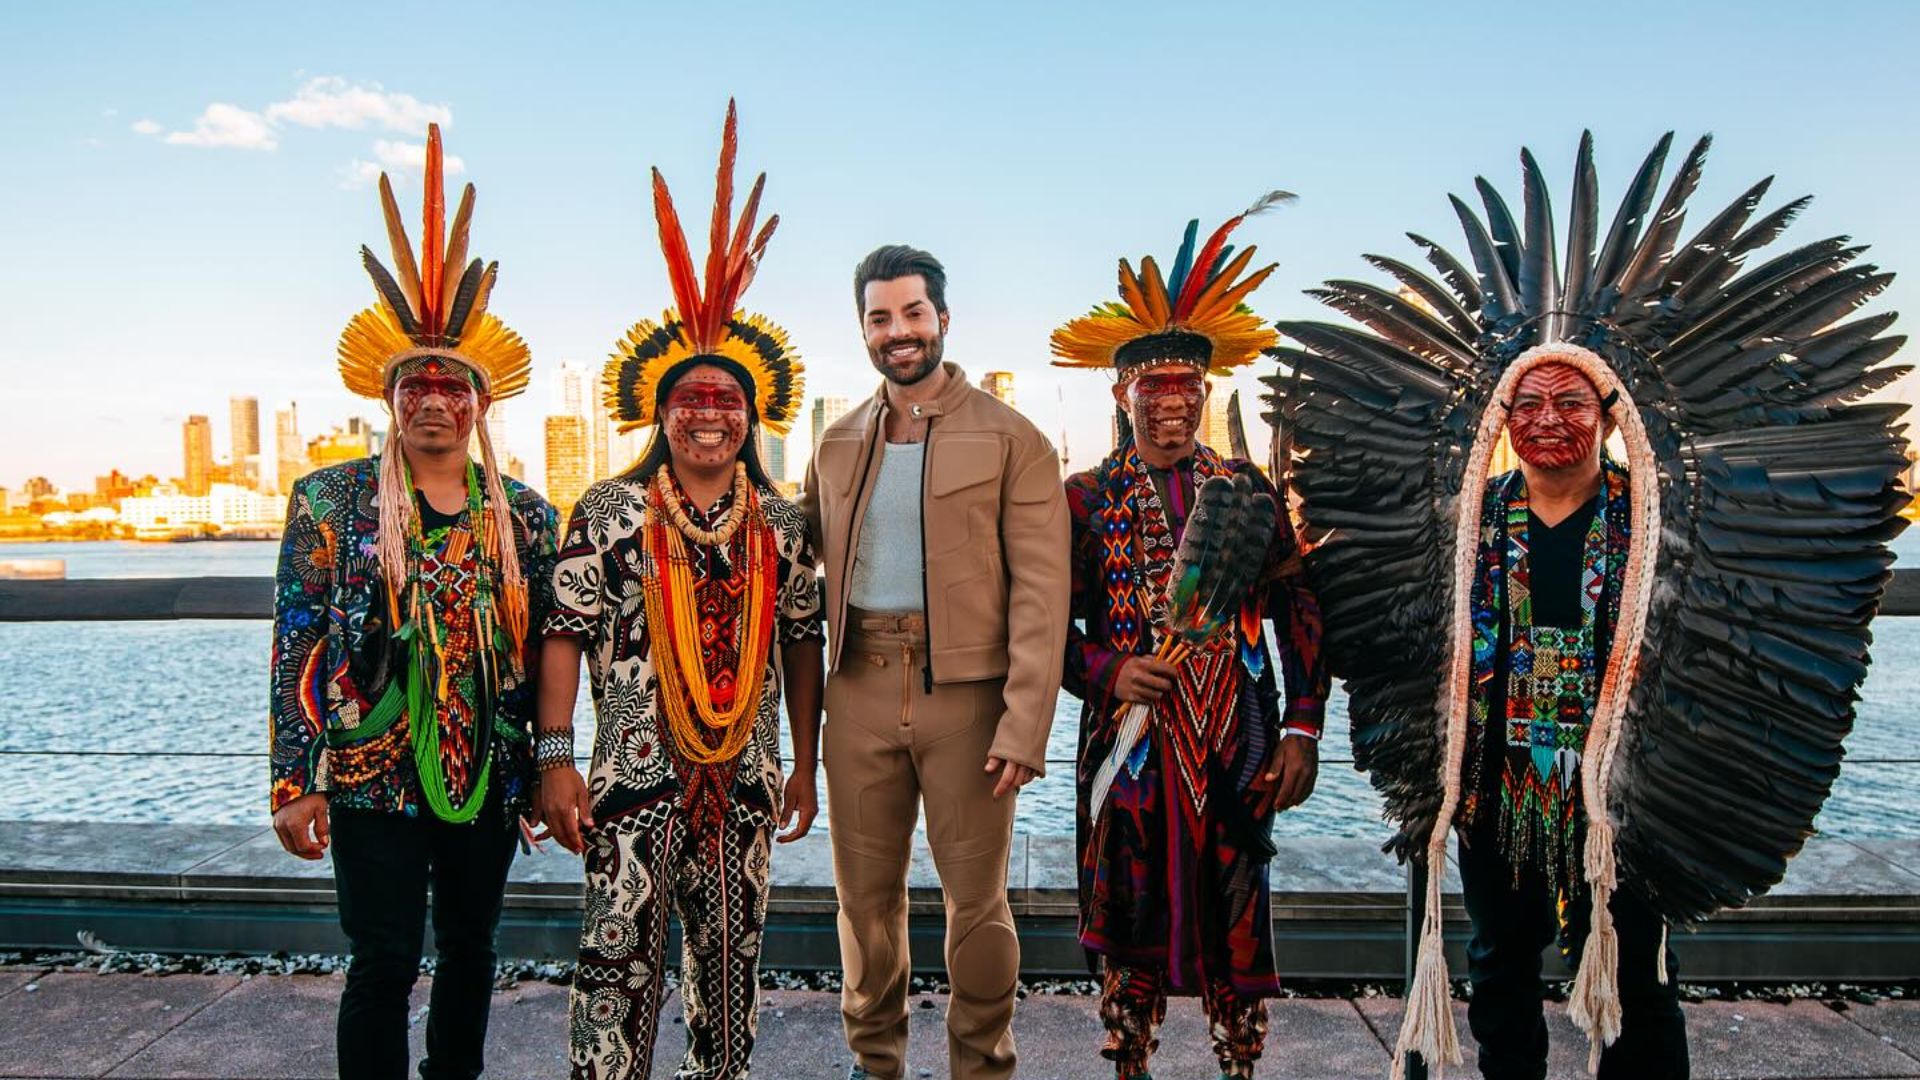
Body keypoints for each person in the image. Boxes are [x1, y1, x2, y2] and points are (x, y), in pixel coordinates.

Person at [1274, 132, 1911, 1079]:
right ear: (1499, 418)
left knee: (1637, 977)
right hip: (1495, 793)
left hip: (1623, 791)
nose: (1545, 420)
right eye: (1525, 404)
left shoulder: (1652, 519)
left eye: (1569, 402)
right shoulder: (1470, 524)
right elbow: (1363, 600)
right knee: (1499, 967)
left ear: (1611, 413)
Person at [533, 103, 825, 1080]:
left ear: (752, 416)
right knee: (613, 972)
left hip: (742, 787)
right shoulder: (610, 510)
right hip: (624, 785)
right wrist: (555, 758)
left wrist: (805, 765)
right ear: (660, 412)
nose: (709, 416)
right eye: (691, 402)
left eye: (727, 402)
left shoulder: (780, 527)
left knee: (730, 984)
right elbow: (564, 633)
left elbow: (800, 645)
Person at [269, 124, 557, 1080]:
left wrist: (551, 764)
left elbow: (557, 643)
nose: (434, 400)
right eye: (416, 384)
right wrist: (293, 777)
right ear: (389, 398)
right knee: (382, 959)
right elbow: (298, 641)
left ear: (479, 403)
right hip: (366, 771)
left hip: (486, 773)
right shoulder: (330, 499)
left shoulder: (521, 514)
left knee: (473, 952)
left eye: (451, 385)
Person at [1051, 198, 1329, 1080]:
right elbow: (1040, 628)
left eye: (1185, 387)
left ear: (1205, 393)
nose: (1171, 402)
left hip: (1237, 737)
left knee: (1236, 903)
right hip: (1130, 747)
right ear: (1120, 390)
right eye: (1152, 386)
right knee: (1128, 916)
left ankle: (1238, 1062)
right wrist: (1108, 667)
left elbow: (1301, 613)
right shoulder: (1084, 497)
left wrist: (1302, 727)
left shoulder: (1247, 489)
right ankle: (1128, 1059)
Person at [799, 243, 1070, 1080]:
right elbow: (801, 573)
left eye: (913, 313)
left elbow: (1041, 590)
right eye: (880, 317)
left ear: (943, 318)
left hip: (969, 699)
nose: (898, 331)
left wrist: (1026, 724)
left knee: (977, 905)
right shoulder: (837, 443)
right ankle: (873, 1062)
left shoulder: (1012, 439)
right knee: (863, 906)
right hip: (860, 689)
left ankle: (982, 1064)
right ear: (864, 331)